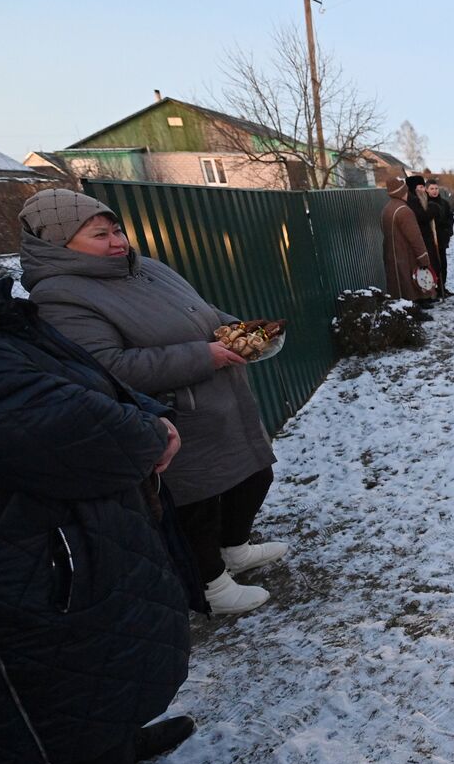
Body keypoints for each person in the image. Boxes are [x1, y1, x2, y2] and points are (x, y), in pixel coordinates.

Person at [0, 266, 205, 764]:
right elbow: (47, 418)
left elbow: (86, 378)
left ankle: (114, 743)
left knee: (99, 657)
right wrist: (148, 435)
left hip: (57, 528)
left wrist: (142, 413)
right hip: (11, 550)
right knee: (60, 678)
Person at [19, 189, 287, 617]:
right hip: (173, 414)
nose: (118, 241)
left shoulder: (147, 269)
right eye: (100, 234)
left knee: (254, 475)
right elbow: (104, 367)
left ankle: (234, 547)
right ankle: (210, 586)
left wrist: (241, 330)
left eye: (117, 229)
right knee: (195, 503)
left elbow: (202, 312)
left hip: (222, 402)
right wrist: (206, 356)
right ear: (58, 243)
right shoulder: (60, 296)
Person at [381, 173, 436, 320]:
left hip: (391, 253)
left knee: (398, 284)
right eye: (405, 191)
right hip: (405, 254)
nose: (407, 193)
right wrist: (424, 257)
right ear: (401, 192)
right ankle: (413, 314)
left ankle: (403, 313)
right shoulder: (404, 211)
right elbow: (415, 237)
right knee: (409, 284)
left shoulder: (387, 209)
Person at [426, 177, 454, 297]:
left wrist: (448, 231)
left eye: (436, 188)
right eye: (432, 189)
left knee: (443, 264)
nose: (434, 191)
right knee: (432, 266)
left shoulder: (444, 203)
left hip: (441, 239)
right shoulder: (424, 203)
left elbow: (450, 218)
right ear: (427, 190)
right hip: (430, 240)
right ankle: (432, 289)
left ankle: (442, 287)